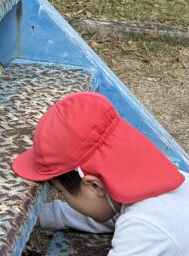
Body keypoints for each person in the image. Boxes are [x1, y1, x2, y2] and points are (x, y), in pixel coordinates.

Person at [12, 91, 189, 255]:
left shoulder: (147, 229)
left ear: (94, 185)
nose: (64, 198)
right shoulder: (155, 188)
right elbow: (101, 214)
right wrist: (32, 217)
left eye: (62, 192)